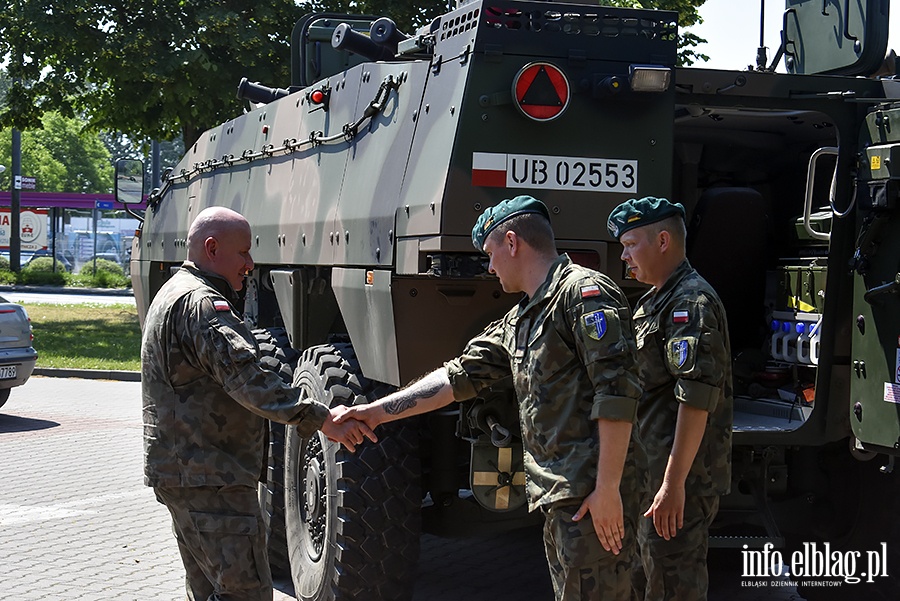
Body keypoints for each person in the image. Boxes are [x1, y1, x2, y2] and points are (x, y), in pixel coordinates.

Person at [336, 195, 645, 600]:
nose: (490, 266)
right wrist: (376, 412)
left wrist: (608, 489)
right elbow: (455, 379)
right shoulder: (522, 317)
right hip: (560, 500)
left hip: (593, 499)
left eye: (490, 253)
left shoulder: (583, 294)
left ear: (512, 242)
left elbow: (617, 393)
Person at [141, 206, 376, 601]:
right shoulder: (201, 305)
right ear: (212, 248)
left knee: (212, 591)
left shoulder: (174, 292)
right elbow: (249, 380)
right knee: (245, 593)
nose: (250, 264)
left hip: (189, 474)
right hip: (212, 478)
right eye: (244, 253)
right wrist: (320, 417)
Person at [606, 197, 733, 601]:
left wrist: (673, 484)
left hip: (680, 482)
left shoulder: (689, 304)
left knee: (673, 586)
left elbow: (694, 400)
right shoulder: (656, 301)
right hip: (653, 476)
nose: (624, 256)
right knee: (649, 581)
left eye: (630, 244)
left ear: (663, 241)